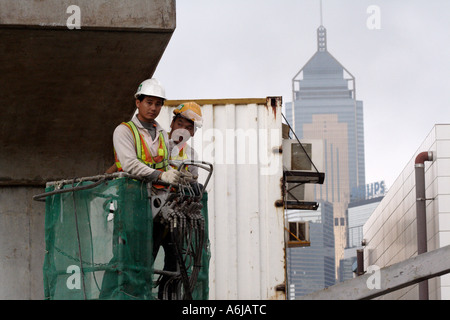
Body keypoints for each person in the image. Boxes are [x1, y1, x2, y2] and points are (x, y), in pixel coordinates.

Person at [112, 78, 181, 185]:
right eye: (149, 103)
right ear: (138, 103)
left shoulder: (162, 133)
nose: (153, 108)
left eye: (158, 104)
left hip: (157, 193)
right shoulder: (124, 131)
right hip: (130, 192)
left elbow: (163, 165)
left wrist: (174, 174)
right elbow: (129, 164)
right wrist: (161, 175)